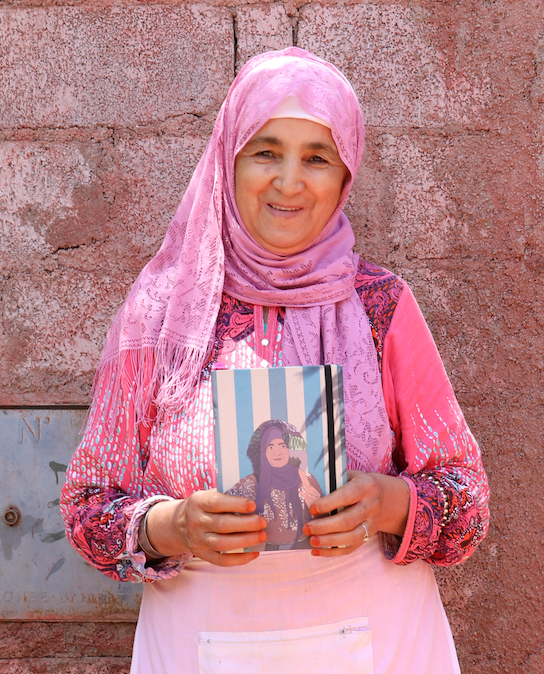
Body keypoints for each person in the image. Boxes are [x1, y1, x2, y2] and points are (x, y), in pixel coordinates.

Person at [60, 47, 490, 673]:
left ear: (345, 176)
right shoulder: (160, 314)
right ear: (227, 162)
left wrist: (387, 504)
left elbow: (468, 505)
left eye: (316, 157)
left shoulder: (382, 308)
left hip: (380, 642)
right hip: (201, 643)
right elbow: (87, 506)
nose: (289, 181)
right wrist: (173, 526)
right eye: (266, 151)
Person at [225, 420, 323, 550]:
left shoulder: (308, 480)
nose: (277, 452)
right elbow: (223, 515)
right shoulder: (249, 484)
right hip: (261, 557)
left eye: (282, 445)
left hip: (307, 554)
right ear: (262, 452)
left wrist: (317, 509)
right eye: (270, 447)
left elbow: (328, 522)